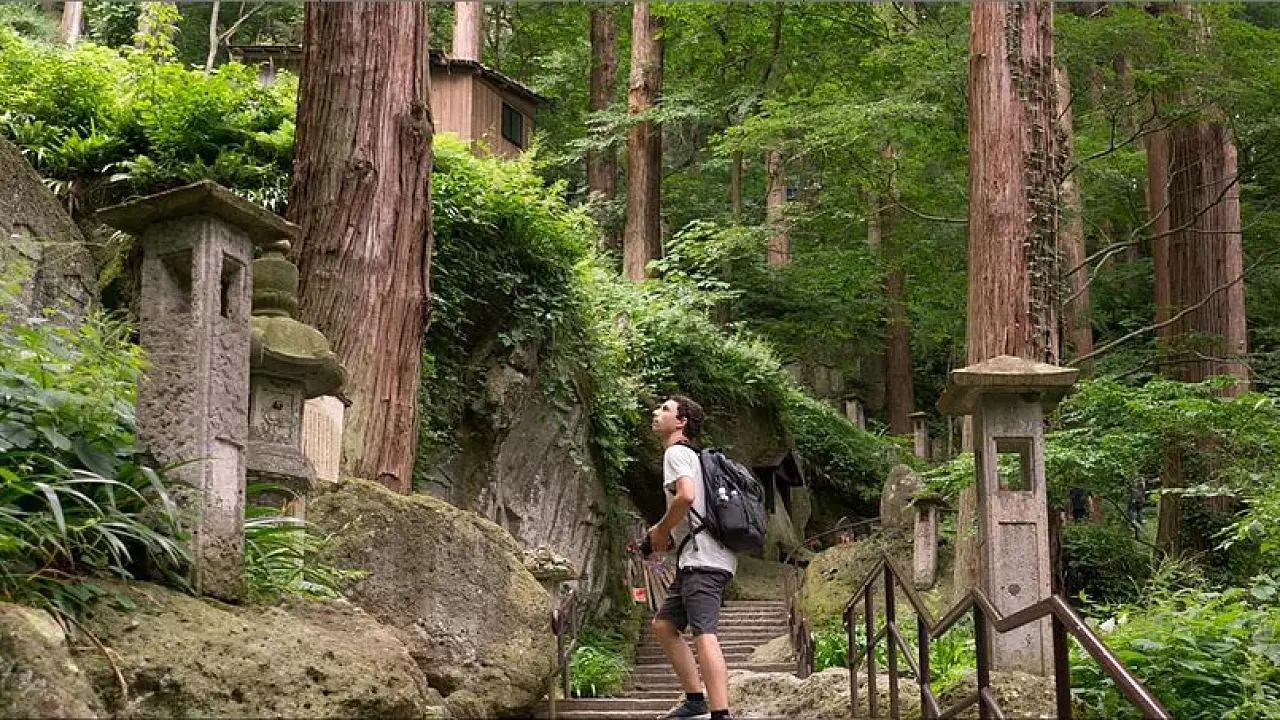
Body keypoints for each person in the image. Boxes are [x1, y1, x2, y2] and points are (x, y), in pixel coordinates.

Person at [647, 395, 736, 720]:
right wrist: (671, 534)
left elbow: (685, 496)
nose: (656, 413)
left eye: (665, 410)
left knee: (704, 632)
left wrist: (660, 530)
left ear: (681, 422)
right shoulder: (694, 457)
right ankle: (695, 699)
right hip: (697, 558)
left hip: (703, 561)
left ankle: (720, 712)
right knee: (664, 625)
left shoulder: (676, 452)